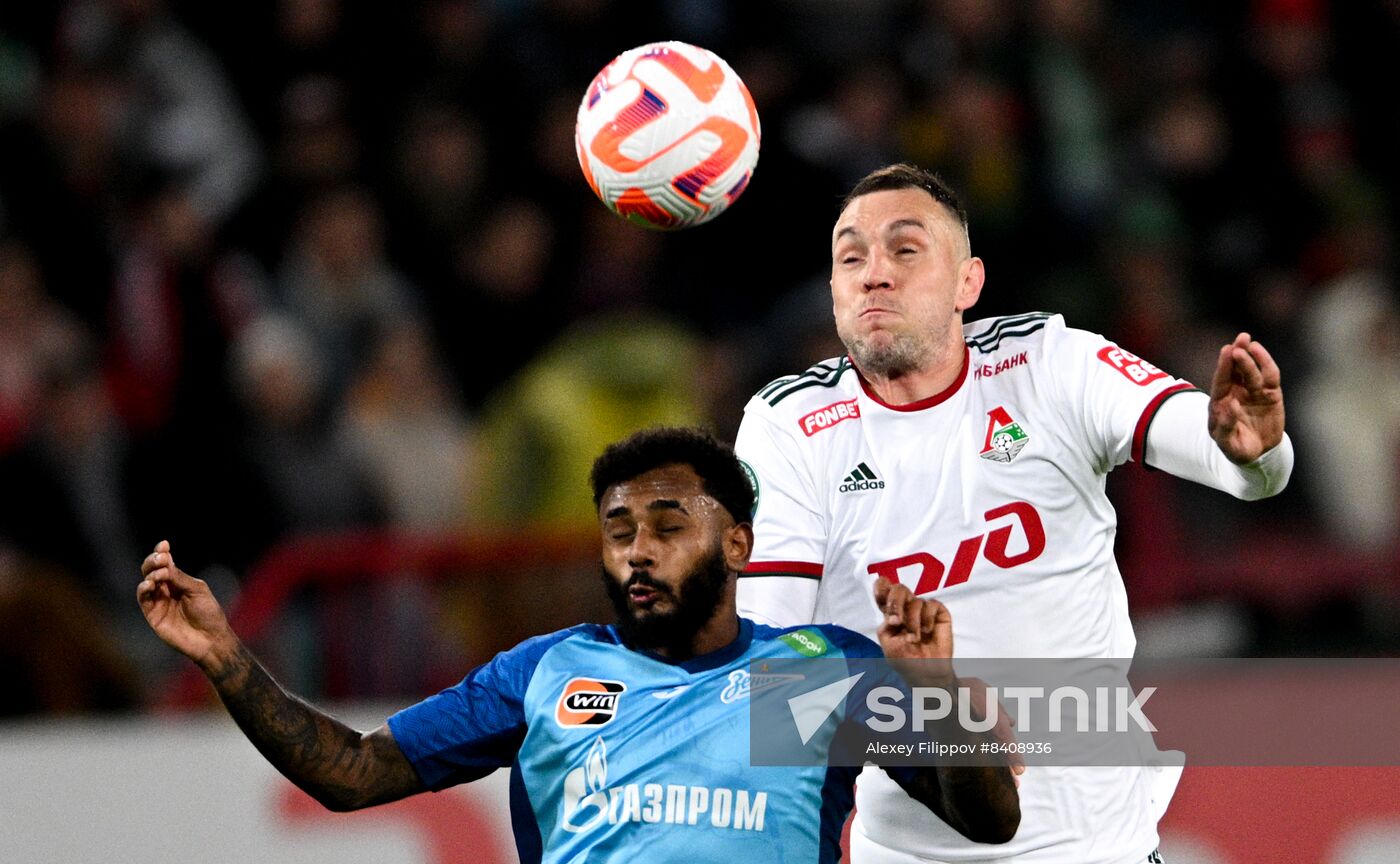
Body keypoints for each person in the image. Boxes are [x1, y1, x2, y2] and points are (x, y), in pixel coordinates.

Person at [734, 164, 1293, 864]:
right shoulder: (790, 426)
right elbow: (772, 691)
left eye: (905, 250)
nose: (874, 273)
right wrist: (935, 722)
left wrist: (1256, 451)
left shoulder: (1051, 365)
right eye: (852, 256)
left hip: (1099, 850)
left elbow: (1235, 458)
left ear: (969, 282)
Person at [137, 426, 1019, 862]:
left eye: (668, 525)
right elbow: (354, 772)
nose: (637, 549)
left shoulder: (812, 671)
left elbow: (990, 821)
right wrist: (226, 658)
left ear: (738, 546)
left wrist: (931, 690)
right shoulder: (546, 672)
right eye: (618, 527)